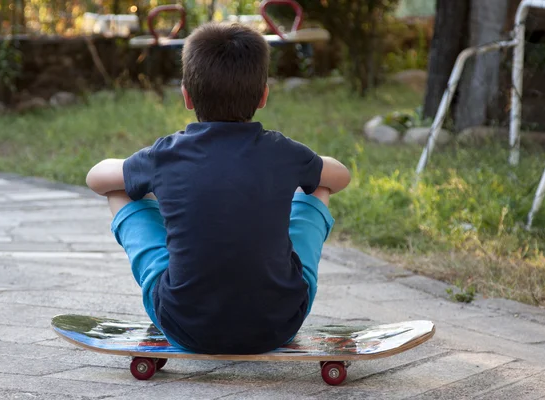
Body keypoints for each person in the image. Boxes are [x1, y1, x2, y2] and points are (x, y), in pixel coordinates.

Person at [85, 22, 351, 355]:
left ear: (186, 95)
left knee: (119, 189)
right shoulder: (284, 152)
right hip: (279, 323)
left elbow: (96, 178)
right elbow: (341, 176)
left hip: (185, 325)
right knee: (317, 188)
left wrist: (149, 189)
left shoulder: (165, 155)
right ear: (264, 95)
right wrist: (310, 167)